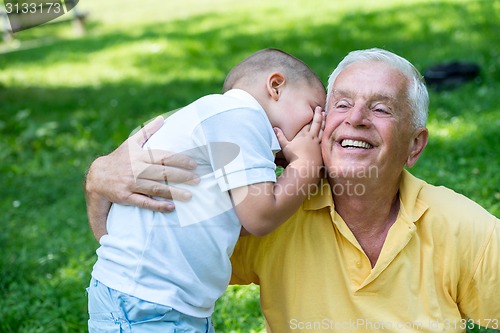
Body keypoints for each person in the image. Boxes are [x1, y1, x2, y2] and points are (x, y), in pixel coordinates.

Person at [85, 48, 500, 332]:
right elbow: (151, 252)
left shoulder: (463, 228)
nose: (355, 118)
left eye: (381, 108)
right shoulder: (276, 205)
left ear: (415, 145)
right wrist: (99, 181)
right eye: (338, 105)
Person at [86, 48, 326, 333]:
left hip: (159, 301)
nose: (316, 128)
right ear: (276, 86)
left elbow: (241, 225)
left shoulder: (223, 121)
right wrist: (306, 164)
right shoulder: (241, 115)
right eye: (314, 110)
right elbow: (260, 217)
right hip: (146, 303)